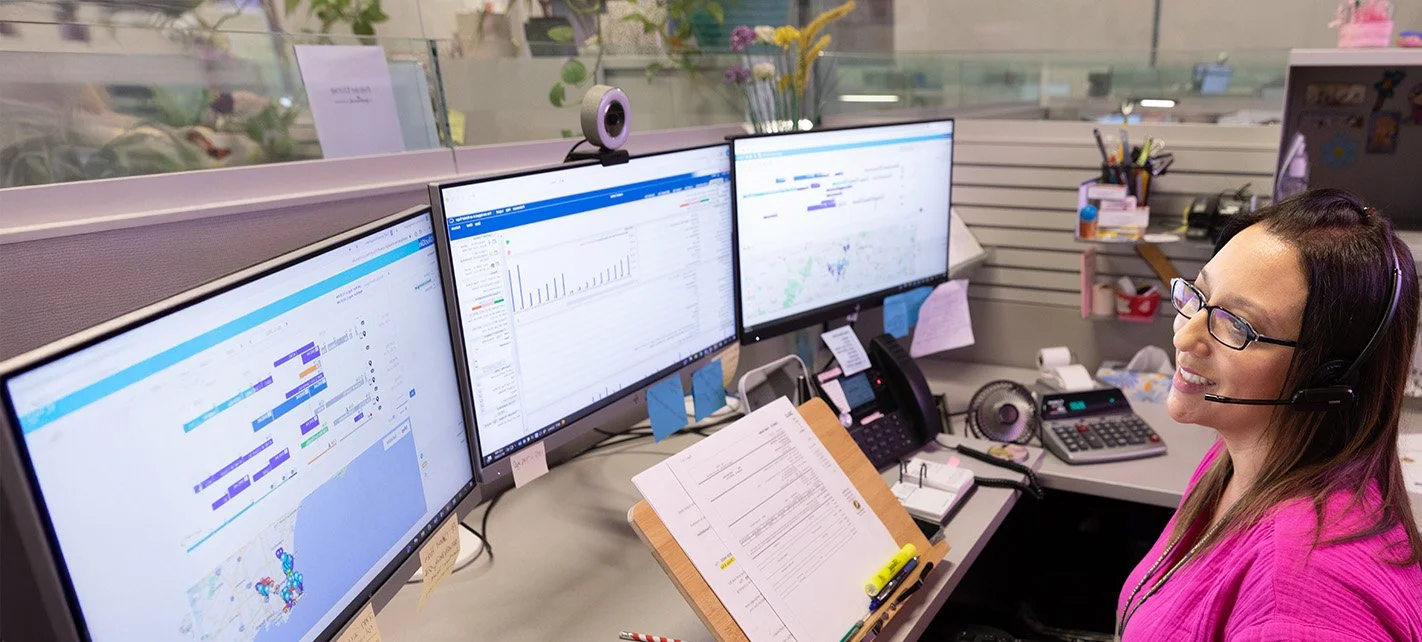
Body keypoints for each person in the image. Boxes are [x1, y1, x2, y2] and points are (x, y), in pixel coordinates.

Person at [1117, 189, 1422, 640]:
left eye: (1237, 325)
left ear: (1329, 377)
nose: (1185, 337)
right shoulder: (1241, 458)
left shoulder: (1301, 592)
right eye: (1198, 294)